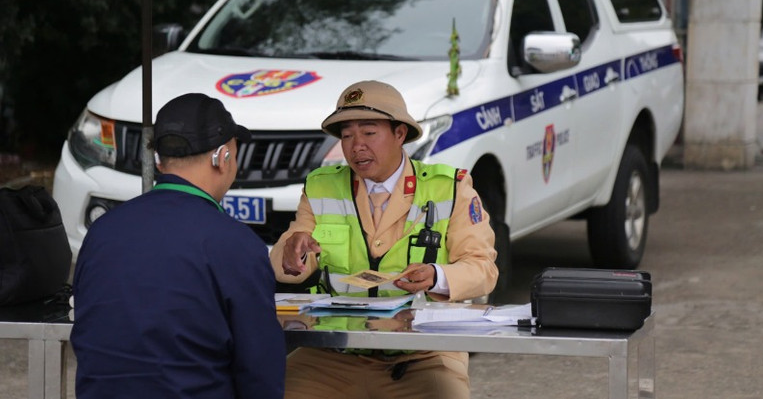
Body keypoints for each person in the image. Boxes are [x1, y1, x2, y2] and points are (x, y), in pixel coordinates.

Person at [270, 80, 499, 399]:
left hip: (421, 356)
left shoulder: (450, 188)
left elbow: (482, 269)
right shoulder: (321, 187)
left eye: (368, 132)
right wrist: (292, 252)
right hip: (334, 354)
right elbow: (290, 259)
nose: (356, 145)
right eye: (347, 135)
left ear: (399, 133)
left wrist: (437, 276)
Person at [71, 93, 285, 399]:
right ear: (222, 158)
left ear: (159, 159)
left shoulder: (101, 232)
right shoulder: (236, 244)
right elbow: (260, 373)